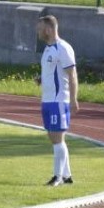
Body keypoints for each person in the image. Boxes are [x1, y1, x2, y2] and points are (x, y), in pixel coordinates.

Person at [36, 14, 79, 186]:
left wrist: (73, 99)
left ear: (48, 29)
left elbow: (72, 74)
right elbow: (54, 72)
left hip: (58, 100)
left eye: (39, 28)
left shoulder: (63, 48)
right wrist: (42, 79)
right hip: (47, 100)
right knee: (55, 137)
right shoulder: (48, 49)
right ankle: (67, 176)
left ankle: (57, 176)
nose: (38, 32)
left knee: (57, 138)